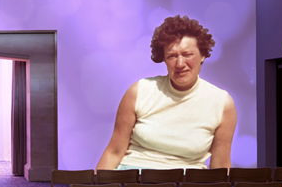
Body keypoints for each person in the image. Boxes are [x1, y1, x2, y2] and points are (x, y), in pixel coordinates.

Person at [97, 15, 237, 170]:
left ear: (202, 55)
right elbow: (114, 152)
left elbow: (221, 166)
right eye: (172, 56)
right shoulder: (139, 92)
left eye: (187, 54)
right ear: (163, 58)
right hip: (133, 182)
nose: (180, 63)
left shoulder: (222, 103)